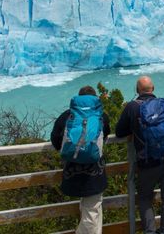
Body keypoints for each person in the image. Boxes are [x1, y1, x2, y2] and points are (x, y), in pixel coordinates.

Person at [115, 75, 164, 234]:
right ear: (152, 89)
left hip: (147, 162)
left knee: (145, 198)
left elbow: (119, 132)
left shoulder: (132, 107)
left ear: (137, 90)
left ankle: (150, 231)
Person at [51, 85, 110, 234]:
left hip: (72, 170)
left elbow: (55, 140)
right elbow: (106, 136)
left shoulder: (67, 116)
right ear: (95, 98)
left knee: (91, 212)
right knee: (92, 211)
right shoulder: (101, 116)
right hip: (95, 172)